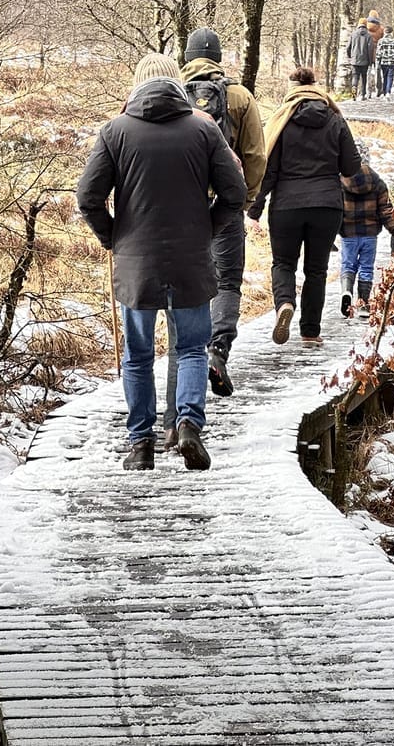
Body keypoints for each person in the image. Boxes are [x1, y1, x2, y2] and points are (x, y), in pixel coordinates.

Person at [76, 53, 246, 472]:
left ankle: (141, 445)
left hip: (136, 264)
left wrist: (111, 236)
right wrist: (209, 226)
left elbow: (87, 198)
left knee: (137, 355)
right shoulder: (204, 130)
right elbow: (236, 192)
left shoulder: (114, 132)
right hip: (191, 259)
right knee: (190, 348)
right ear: (178, 86)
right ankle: (188, 423)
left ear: (136, 87)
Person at [175, 26, 267, 411]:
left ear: (188, 54)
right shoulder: (239, 96)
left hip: (183, 206)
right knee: (227, 280)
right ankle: (217, 348)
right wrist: (244, 200)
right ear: (219, 57)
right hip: (225, 204)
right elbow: (256, 155)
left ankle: (187, 357)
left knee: (185, 282)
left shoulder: (172, 92)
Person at [248, 66, 361, 346]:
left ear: (292, 88)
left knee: (284, 263)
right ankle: (310, 331)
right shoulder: (335, 119)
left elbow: (268, 171)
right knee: (317, 270)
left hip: (287, 204)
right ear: (315, 86)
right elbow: (351, 166)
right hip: (327, 206)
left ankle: (285, 303)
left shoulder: (282, 121)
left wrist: (254, 210)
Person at [339, 140, 394, 318]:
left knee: (348, 264)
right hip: (370, 234)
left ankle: (346, 292)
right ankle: (363, 304)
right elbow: (385, 209)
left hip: (348, 233)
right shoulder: (377, 182)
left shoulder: (340, 182)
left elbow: (334, 209)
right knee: (366, 268)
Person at [346, 17, 374, 100]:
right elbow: (370, 49)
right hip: (365, 61)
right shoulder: (368, 36)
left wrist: (350, 57)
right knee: (364, 77)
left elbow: (348, 47)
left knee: (355, 77)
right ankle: (363, 94)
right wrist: (370, 61)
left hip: (354, 61)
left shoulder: (353, 34)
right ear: (366, 25)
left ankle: (354, 94)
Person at [375, 25, 394, 98]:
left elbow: (378, 53)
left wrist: (378, 61)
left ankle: (385, 92)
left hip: (383, 62)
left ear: (384, 32)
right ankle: (388, 92)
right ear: (391, 33)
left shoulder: (381, 41)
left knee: (385, 77)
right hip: (392, 62)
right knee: (390, 77)